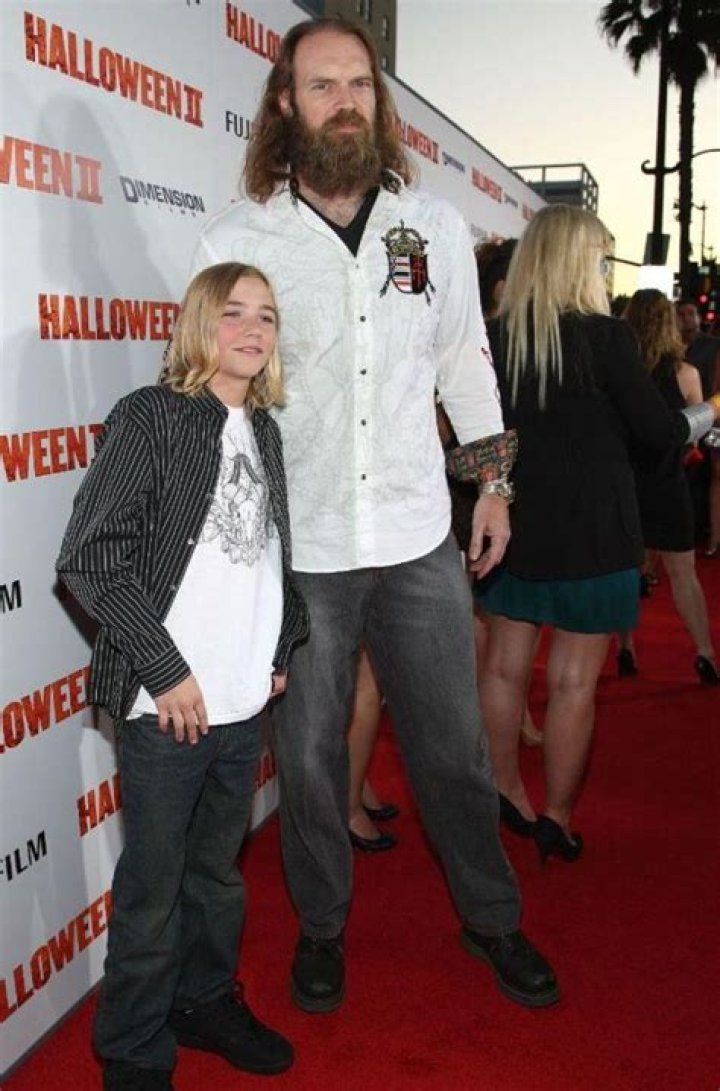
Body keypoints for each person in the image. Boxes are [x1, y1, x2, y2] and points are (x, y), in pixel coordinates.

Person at [192, 16, 559, 1014]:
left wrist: (493, 485)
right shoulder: (237, 240)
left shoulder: (432, 225)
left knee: (453, 750)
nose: (345, 101)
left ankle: (492, 917)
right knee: (310, 761)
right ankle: (321, 926)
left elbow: (462, 364)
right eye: (323, 85)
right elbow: (209, 393)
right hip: (301, 545)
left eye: (359, 83)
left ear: (377, 100)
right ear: (286, 104)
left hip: (416, 535)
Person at [56, 263, 309, 1091]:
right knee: (154, 889)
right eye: (233, 312)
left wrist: (280, 647)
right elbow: (87, 557)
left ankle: (202, 1001)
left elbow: (266, 553)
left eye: (266, 315)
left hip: (240, 700)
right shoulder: (152, 416)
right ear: (199, 322)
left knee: (217, 875)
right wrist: (164, 669)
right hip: (168, 706)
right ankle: (133, 1049)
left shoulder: (264, 428)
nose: (253, 328)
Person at [476, 205, 720, 865]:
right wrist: (705, 413)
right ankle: (555, 817)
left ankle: (504, 791)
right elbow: (658, 432)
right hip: (597, 528)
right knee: (573, 681)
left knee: (503, 667)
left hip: (514, 523)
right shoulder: (606, 338)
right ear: (577, 261)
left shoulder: (495, 337)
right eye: (600, 258)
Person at [622, 289, 718, 684]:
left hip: (626, 486)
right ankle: (705, 652)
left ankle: (625, 646)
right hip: (668, 483)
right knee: (684, 574)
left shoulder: (619, 374)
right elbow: (695, 436)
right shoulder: (686, 373)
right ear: (669, 323)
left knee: (625, 571)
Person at [676, 298, 720, 555]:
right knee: (708, 474)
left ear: (699, 317)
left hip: (710, 416)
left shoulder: (712, 346)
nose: (685, 318)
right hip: (692, 418)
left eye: (690, 313)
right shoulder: (671, 345)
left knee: (713, 474)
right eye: (680, 314)